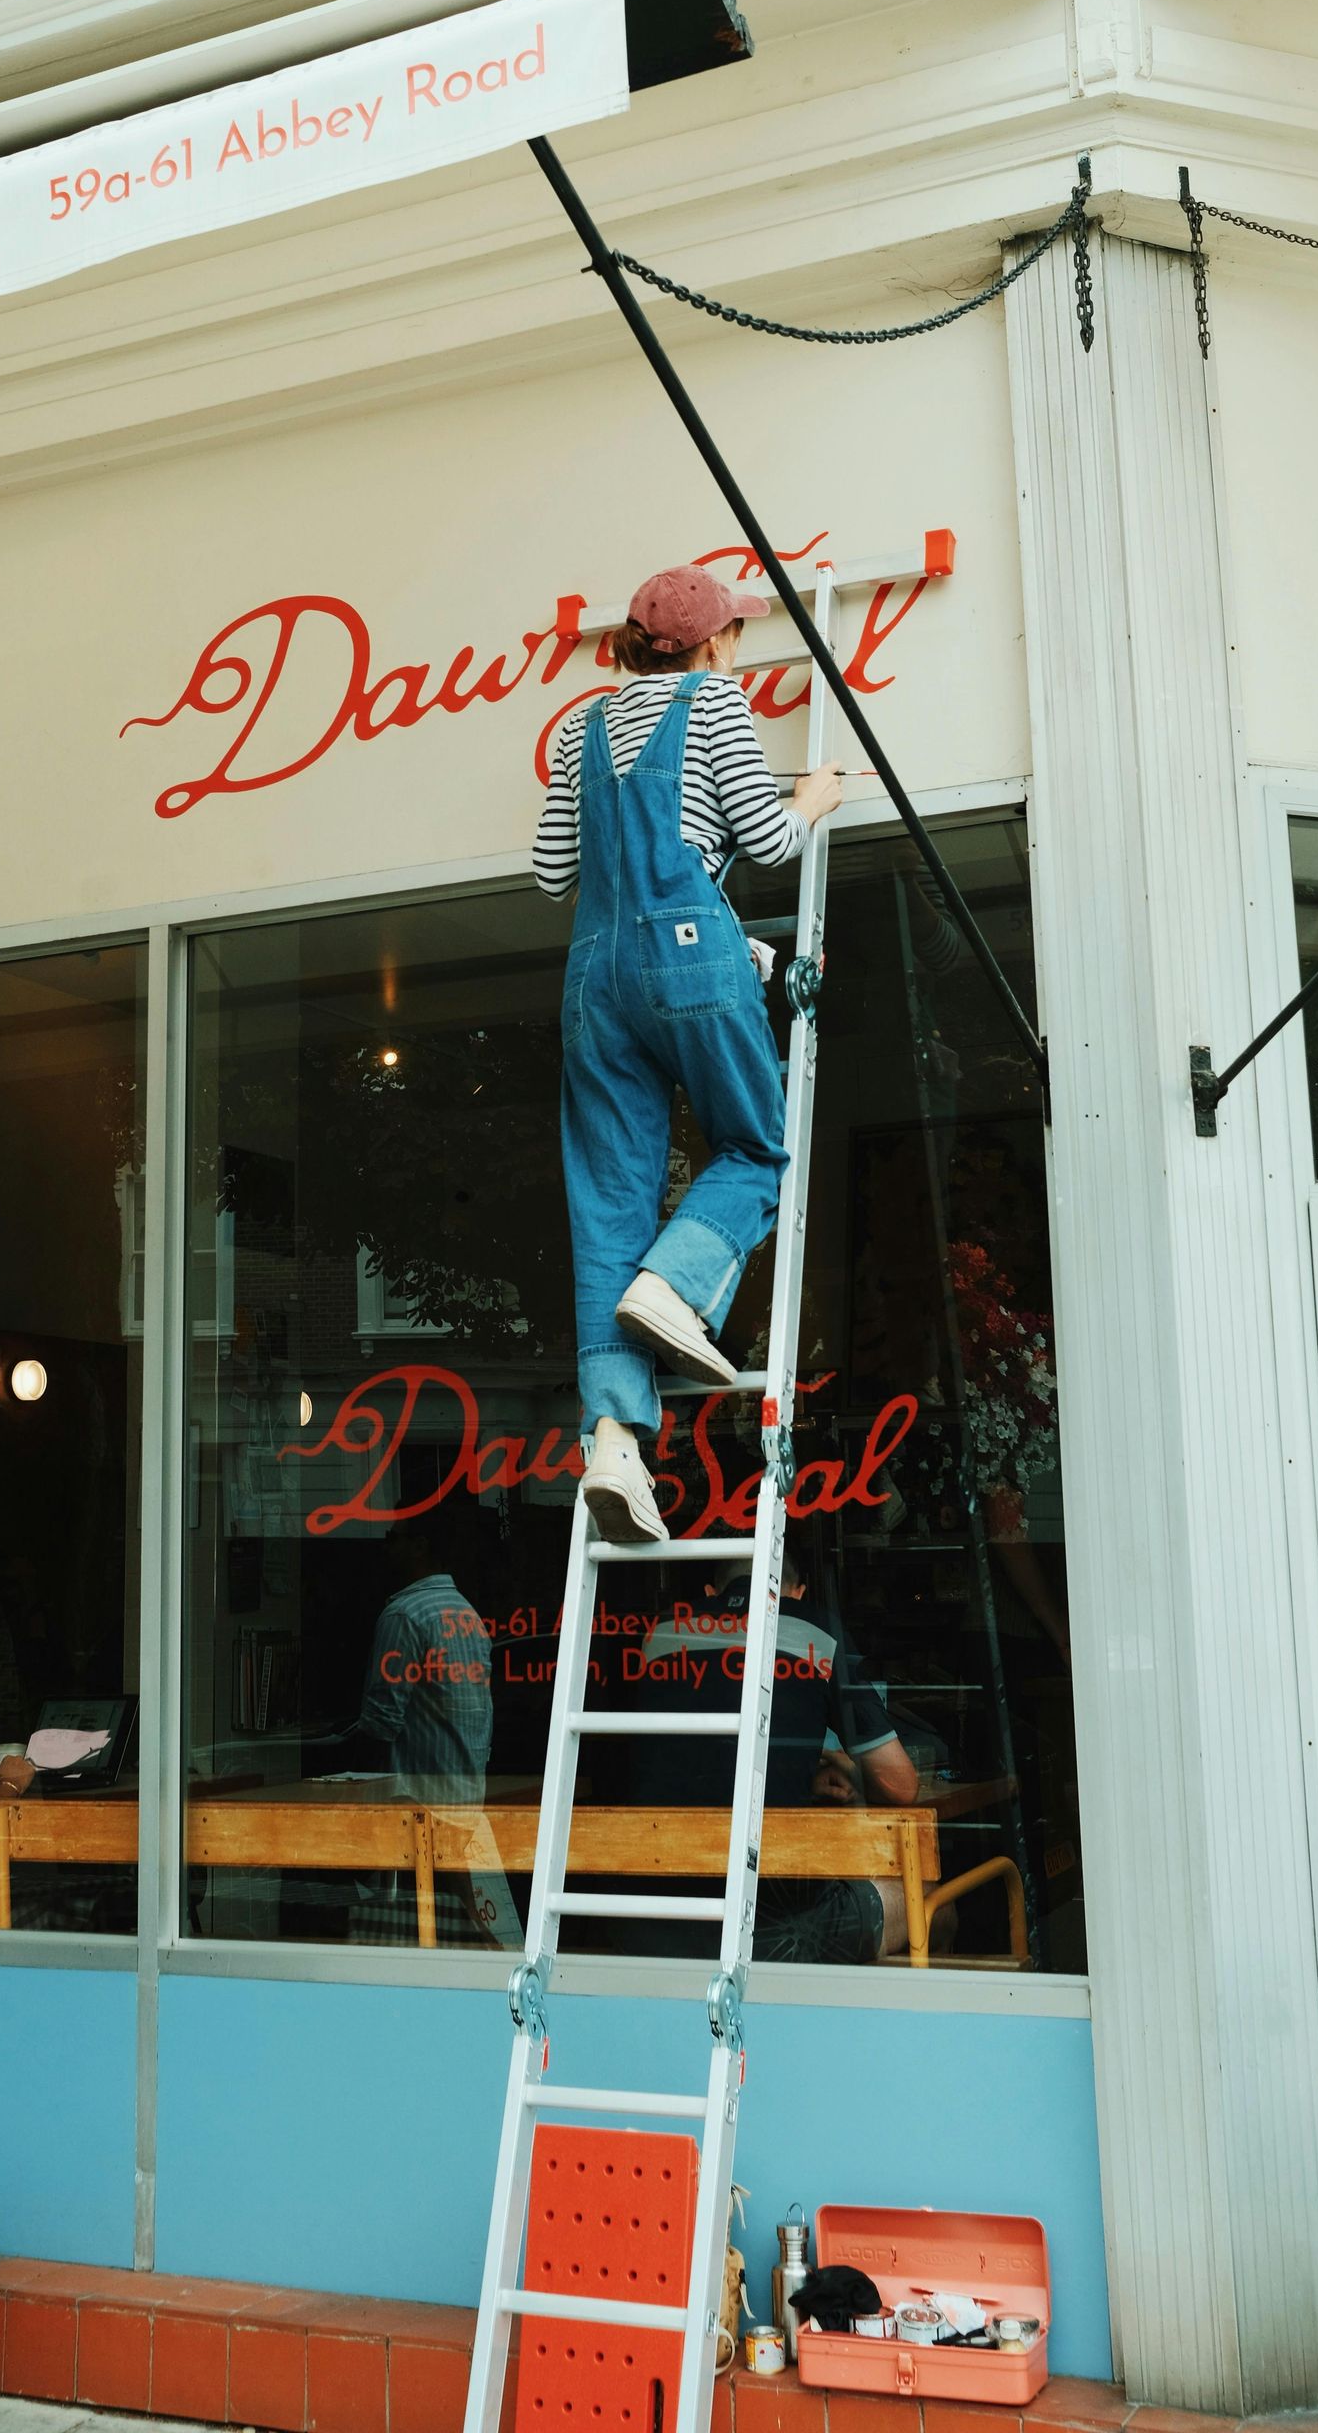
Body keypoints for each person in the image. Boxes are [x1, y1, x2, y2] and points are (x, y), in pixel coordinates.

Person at [533, 562, 844, 1543]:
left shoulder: (583, 726)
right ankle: (674, 1288)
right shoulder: (712, 700)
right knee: (755, 1147)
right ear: (714, 644)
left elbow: (552, 874)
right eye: (736, 633)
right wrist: (816, 796)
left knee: (609, 1205)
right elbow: (763, 838)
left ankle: (616, 1449)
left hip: (594, 978)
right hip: (685, 958)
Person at [605, 1554, 919, 1963]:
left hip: (643, 1923)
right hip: (774, 1931)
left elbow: (675, 1755)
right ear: (797, 1593)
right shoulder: (813, 1627)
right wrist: (839, 1762)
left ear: (710, 1594)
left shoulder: (659, 1633)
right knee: (930, 1902)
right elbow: (900, 1785)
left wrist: (796, 1770)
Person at [351, 1520, 520, 1948]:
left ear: (420, 1544)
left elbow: (381, 1718)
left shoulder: (405, 1615)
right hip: (464, 1785)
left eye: (394, 1537)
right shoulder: (465, 1613)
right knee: (455, 1901)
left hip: (416, 1793)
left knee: (428, 1915)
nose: (385, 1547)